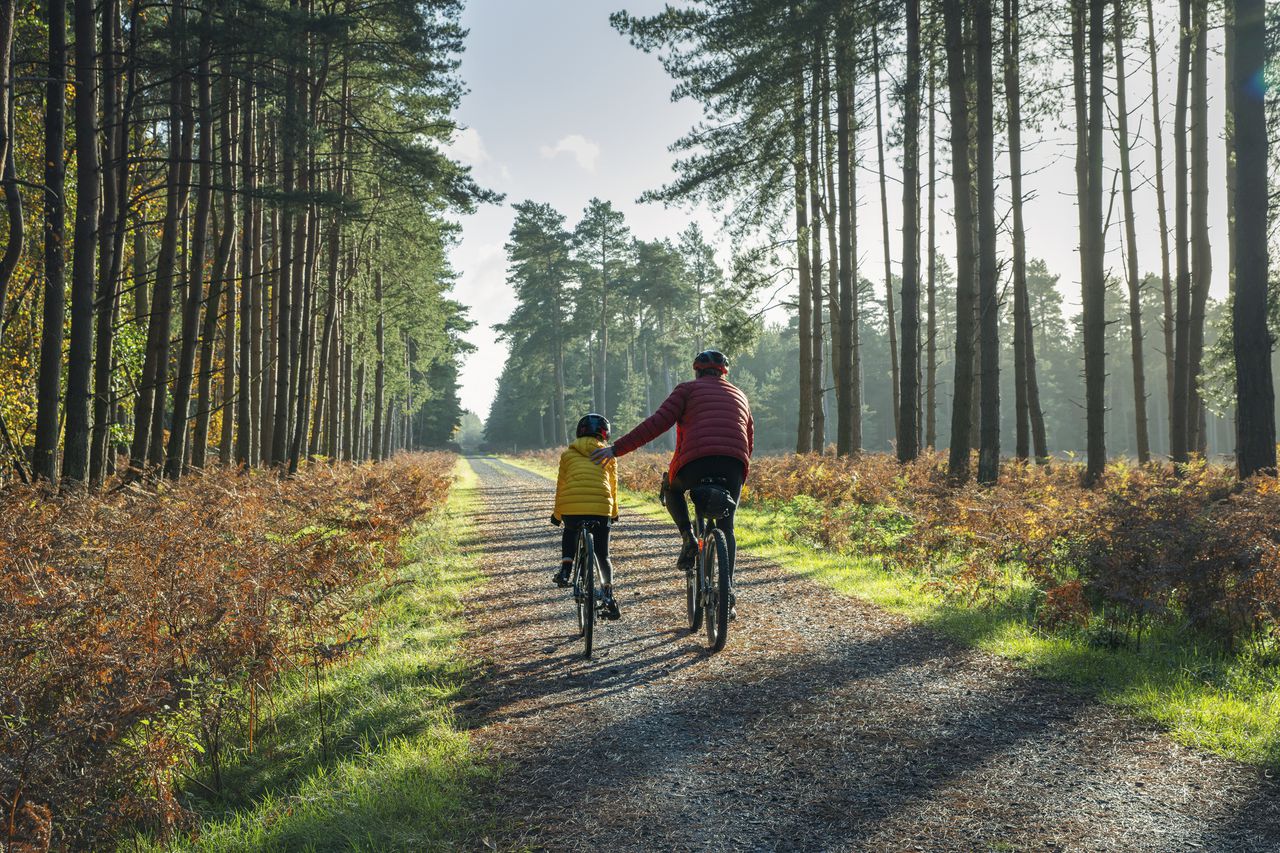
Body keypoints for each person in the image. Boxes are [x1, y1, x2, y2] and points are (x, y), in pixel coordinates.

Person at [591, 350, 753, 615]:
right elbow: (748, 437)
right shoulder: (739, 394)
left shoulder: (687, 390)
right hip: (733, 464)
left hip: (694, 463)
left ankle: (688, 537)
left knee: (672, 488)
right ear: (724, 372)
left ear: (697, 371)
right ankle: (728, 594)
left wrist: (616, 449)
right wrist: (739, 475)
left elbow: (657, 423)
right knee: (727, 526)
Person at [551, 413, 621, 620]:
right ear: (605, 433)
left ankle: (565, 568)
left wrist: (557, 514)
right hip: (601, 509)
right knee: (603, 555)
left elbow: (561, 486)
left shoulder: (567, 455)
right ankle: (608, 594)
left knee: (570, 530)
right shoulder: (609, 454)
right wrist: (614, 513)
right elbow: (614, 487)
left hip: (572, 508)